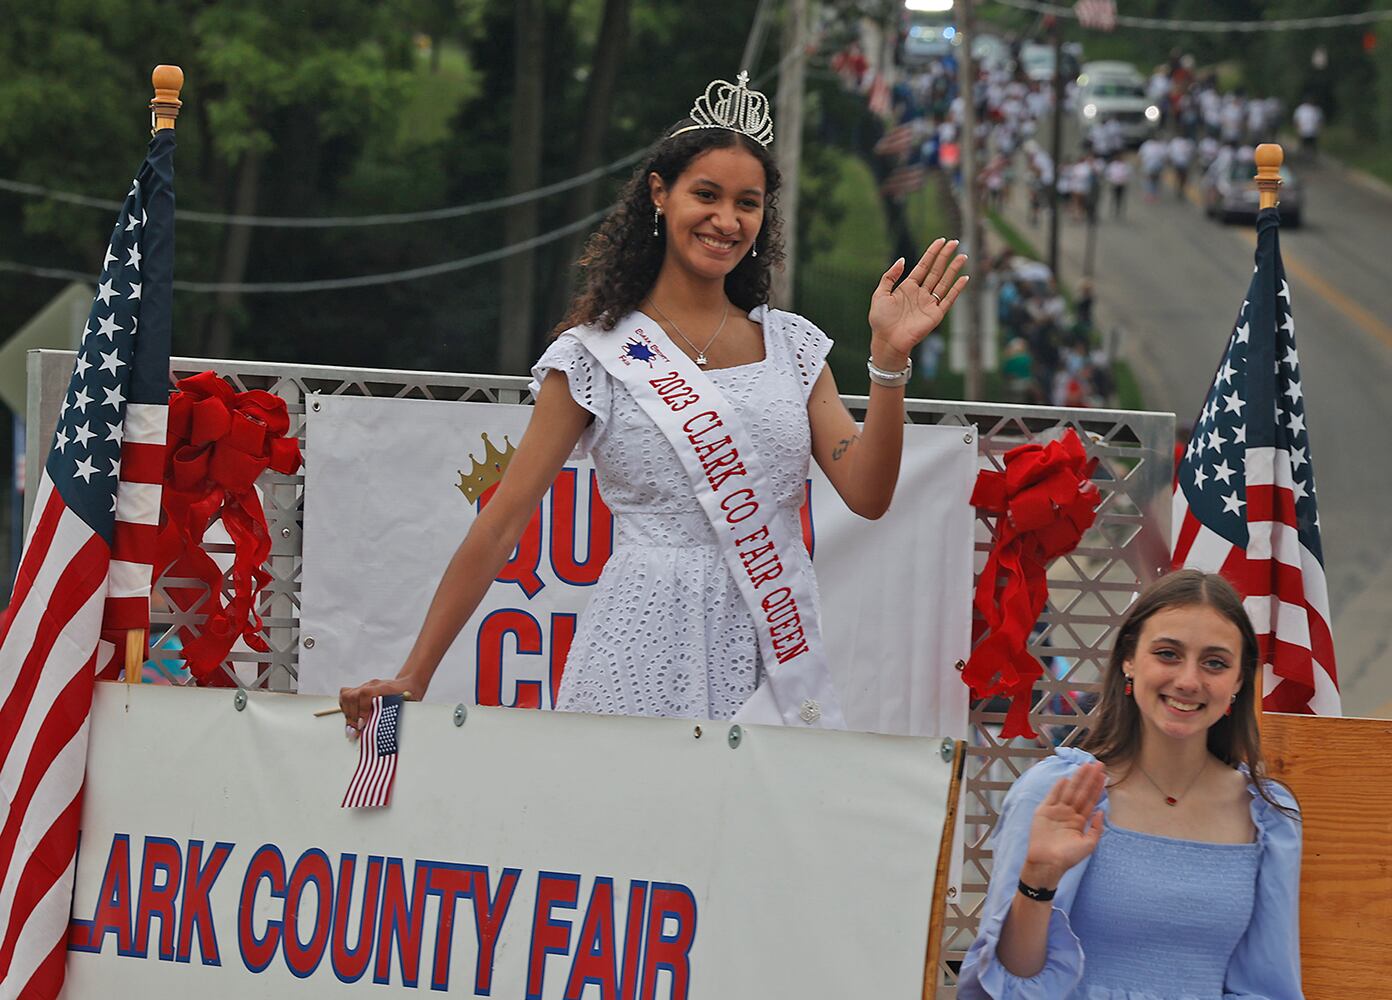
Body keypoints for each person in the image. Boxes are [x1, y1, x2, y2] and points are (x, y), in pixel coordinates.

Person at [338, 72, 968, 732]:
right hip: (636, 639)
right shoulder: (595, 354)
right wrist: (416, 672)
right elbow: (502, 521)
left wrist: (889, 363)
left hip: (769, 648)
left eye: (747, 203)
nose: (727, 220)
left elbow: (868, 493)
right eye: (707, 195)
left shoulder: (792, 348)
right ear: (660, 195)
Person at [958, 570, 1302, 999]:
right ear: (1128, 659)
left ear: (1237, 682)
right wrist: (1038, 878)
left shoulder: (1269, 817)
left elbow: (1267, 989)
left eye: (1215, 662)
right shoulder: (1057, 792)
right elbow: (1008, 989)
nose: (1189, 680)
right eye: (1168, 654)